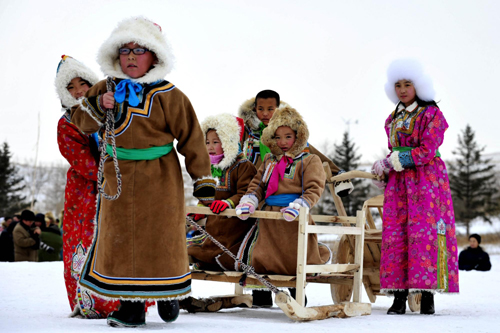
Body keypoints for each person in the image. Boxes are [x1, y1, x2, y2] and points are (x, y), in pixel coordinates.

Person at [71, 17, 216, 327]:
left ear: (156, 56)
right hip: (118, 177)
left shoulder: (170, 95)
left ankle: (169, 296)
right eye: (125, 50)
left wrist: (203, 180)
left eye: (140, 51)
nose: (132, 57)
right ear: (114, 55)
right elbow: (81, 122)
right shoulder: (104, 88)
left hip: (159, 178)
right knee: (121, 241)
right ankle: (131, 308)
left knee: (160, 240)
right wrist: (97, 105)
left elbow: (191, 137)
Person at [371, 59, 459, 315]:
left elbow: (427, 150)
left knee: (425, 234)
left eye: (407, 84)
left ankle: (428, 297)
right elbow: (393, 149)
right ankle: (398, 297)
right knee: (396, 234)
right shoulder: (393, 117)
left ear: (418, 86)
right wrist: (385, 167)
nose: (402, 89)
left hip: (426, 180)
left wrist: (396, 160)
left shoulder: (432, 114)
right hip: (399, 183)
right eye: (397, 85)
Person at [235, 106, 331, 307]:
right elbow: (258, 183)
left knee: (291, 257)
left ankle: (297, 295)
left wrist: (299, 205)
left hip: (293, 218)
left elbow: (314, 188)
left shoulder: (308, 160)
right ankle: (261, 296)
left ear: (298, 136)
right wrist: (250, 200)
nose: (283, 142)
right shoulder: (270, 160)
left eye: (288, 137)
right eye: (278, 138)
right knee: (262, 255)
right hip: (269, 217)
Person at [55, 54, 121, 318]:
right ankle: (90, 302)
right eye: (70, 87)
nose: (78, 90)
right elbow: (84, 163)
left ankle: (128, 301)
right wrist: (114, 178)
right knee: (85, 241)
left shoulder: (113, 112)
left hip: (119, 185)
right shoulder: (67, 124)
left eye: (82, 83)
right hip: (85, 192)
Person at [238, 90, 353, 196]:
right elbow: (231, 152)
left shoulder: (286, 131)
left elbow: (309, 152)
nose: (265, 113)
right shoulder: (246, 132)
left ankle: (337, 174)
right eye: (261, 109)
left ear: (277, 109)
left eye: (270, 109)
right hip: (250, 188)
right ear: (254, 109)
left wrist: (337, 175)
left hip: (281, 188)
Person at [187, 114, 257, 270]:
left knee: (222, 253)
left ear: (228, 143)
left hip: (236, 230)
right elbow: (206, 195)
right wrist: (200, 209)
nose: (210, 147)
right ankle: (205, 259)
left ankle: (217, 260)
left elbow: (247, 192)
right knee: (193, 247)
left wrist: (228, 203)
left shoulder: (243, 166)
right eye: (207, 142)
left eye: (215, 142)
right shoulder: (211, 169)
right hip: (214, 229)